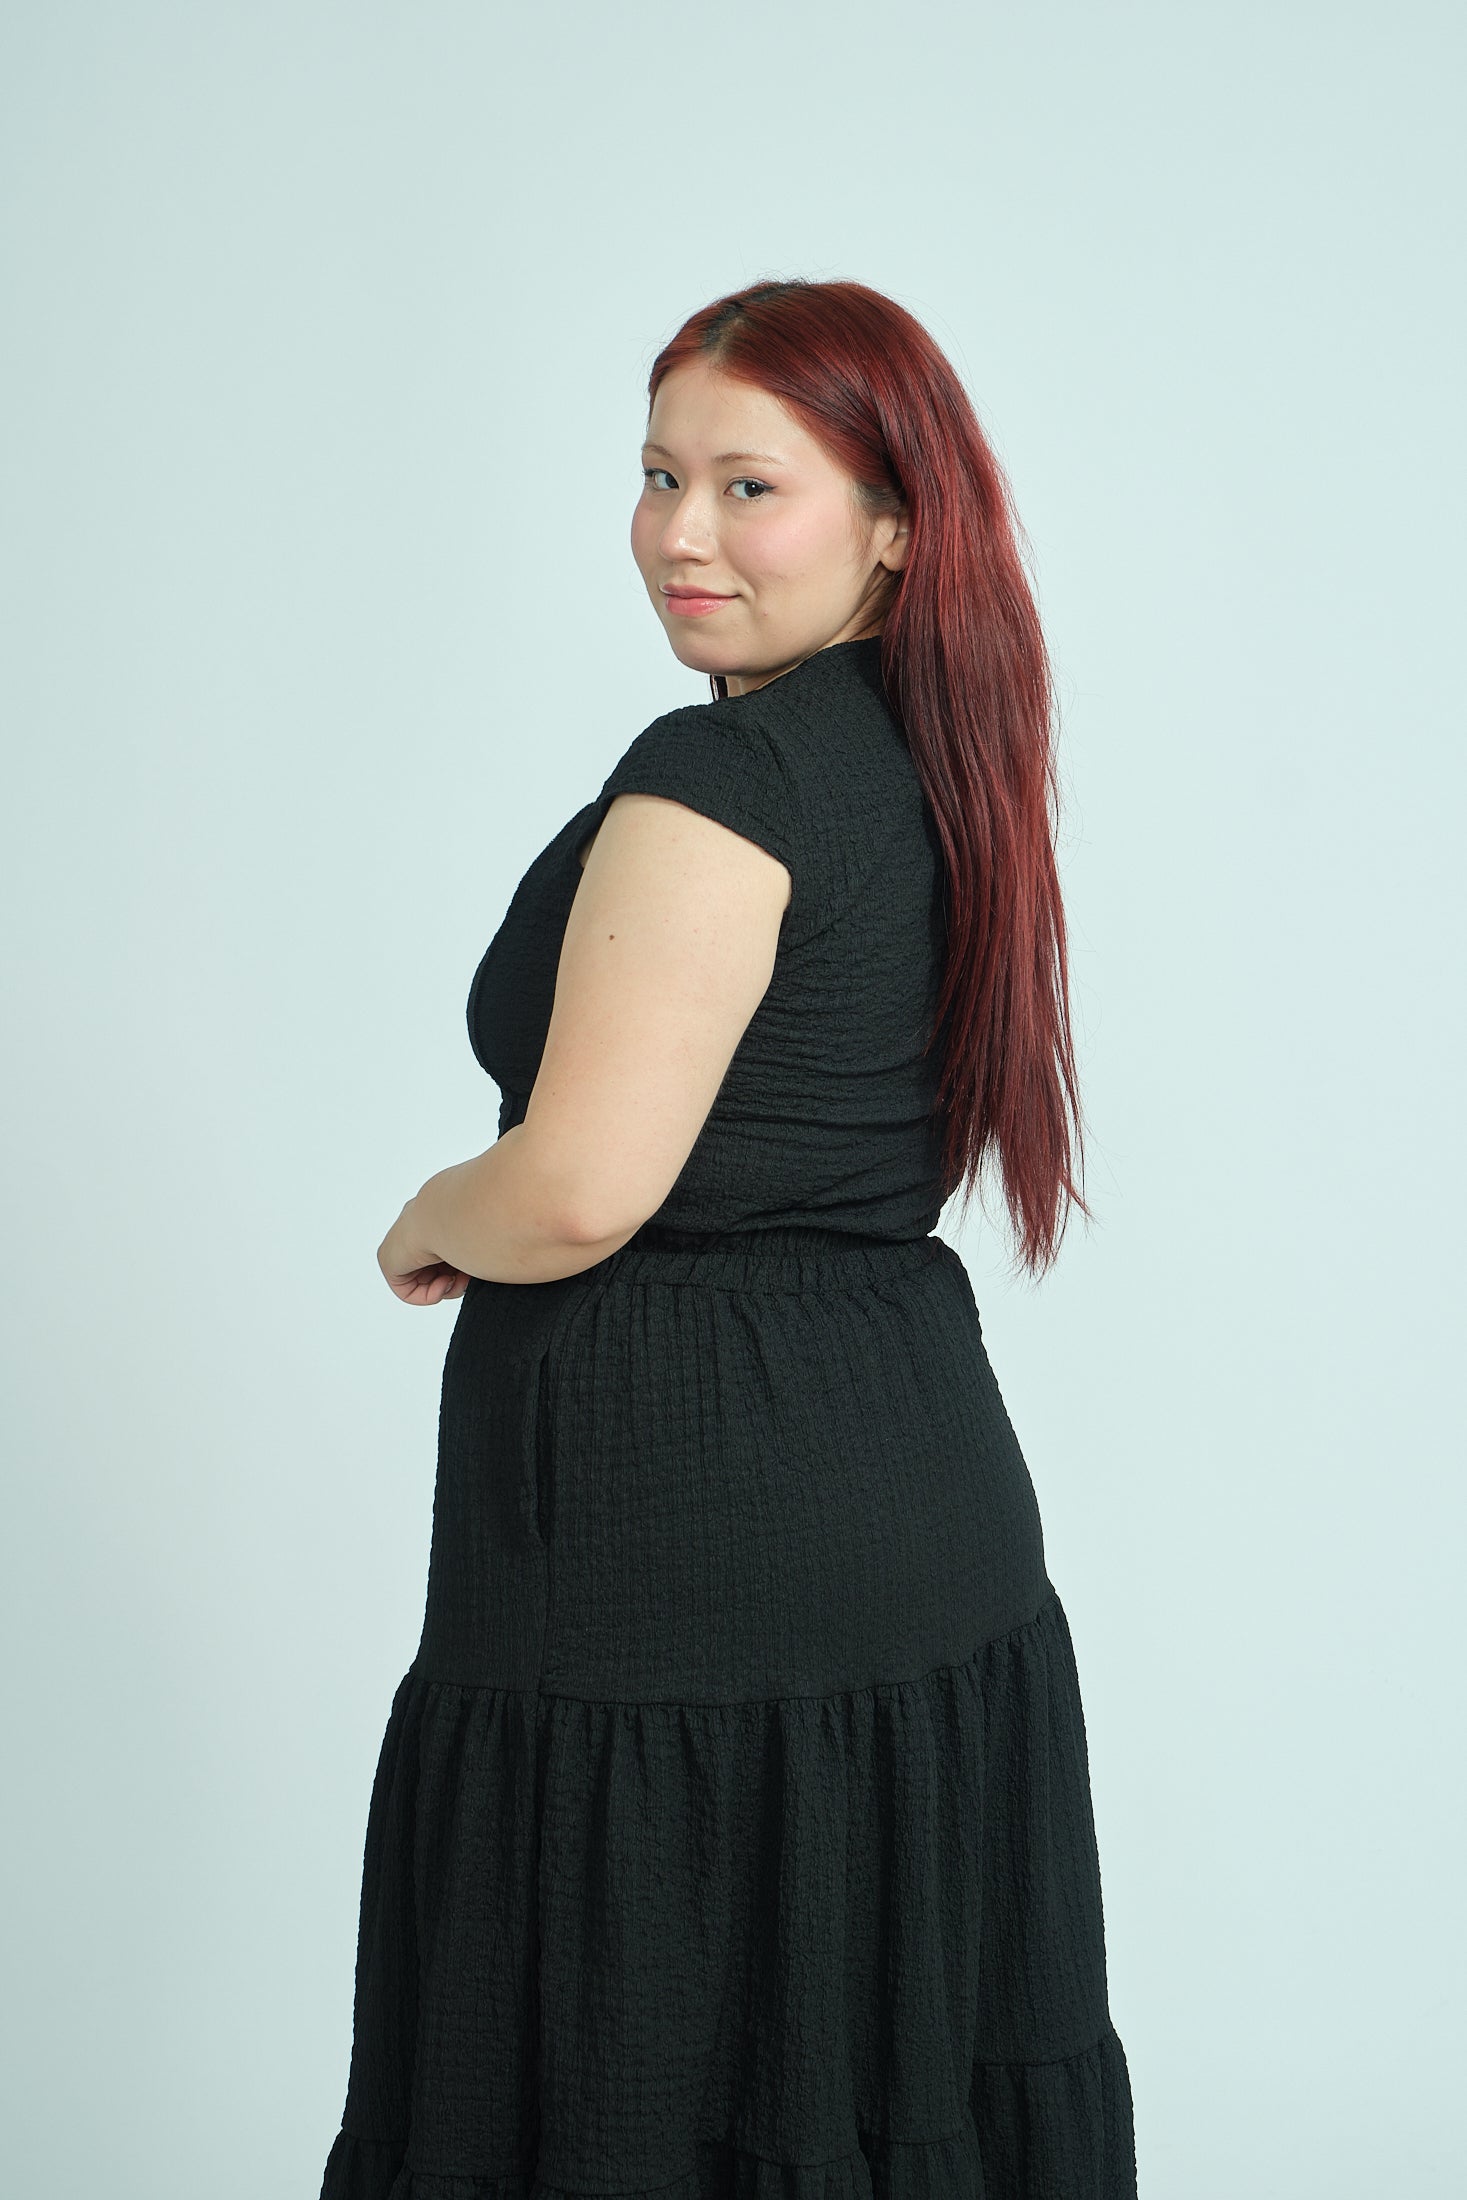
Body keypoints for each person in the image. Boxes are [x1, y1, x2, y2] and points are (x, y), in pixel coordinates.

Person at [318, 276, 1138, 2200]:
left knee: (640, 2074)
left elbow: (578, 1188)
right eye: (657, 475)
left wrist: (430, 1216)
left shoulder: (724, 781)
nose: (681, 534)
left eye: (748, 486)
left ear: (895, 525)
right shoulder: (939, 756)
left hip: (678, 1553)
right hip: (910, 1498)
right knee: (862, 2065)